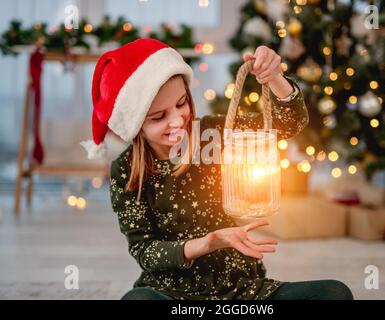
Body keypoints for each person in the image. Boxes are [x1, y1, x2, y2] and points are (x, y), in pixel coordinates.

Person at [81, 38, 353, 300]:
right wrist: (208, 242)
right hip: (170, 295)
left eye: (181, 103)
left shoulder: (213, 132)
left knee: (334, 293)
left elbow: (288, 124)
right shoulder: (126, 170)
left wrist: (274, 78)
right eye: (158, 117)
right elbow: (145, 251)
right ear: (135, 124)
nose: (177, 120)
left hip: (242, 292)